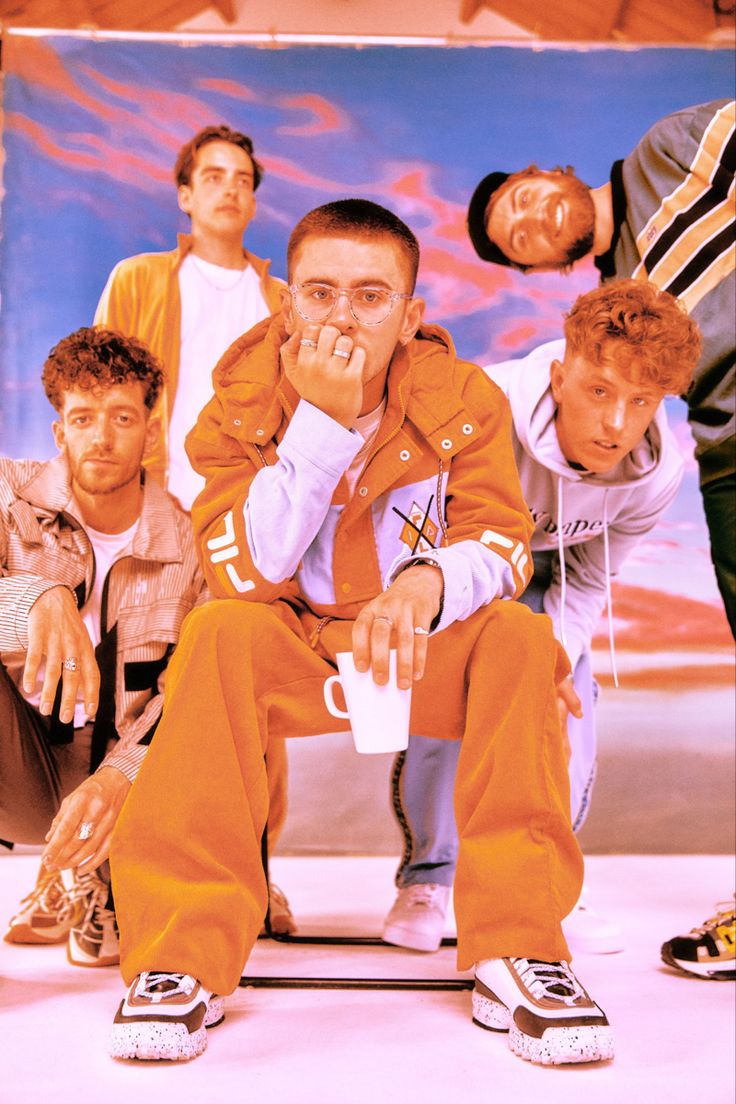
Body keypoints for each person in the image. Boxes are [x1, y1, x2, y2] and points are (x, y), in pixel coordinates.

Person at [108, 198, 614, 1067]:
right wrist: (323, 422)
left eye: (372, 296)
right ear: (284, 304)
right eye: (318, 293)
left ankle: (519, 945)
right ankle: (181, 956)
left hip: (419, 644)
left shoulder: (464, 396)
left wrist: (425, 583)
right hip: (294, 641)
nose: (341, 317)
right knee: (220, 632)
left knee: (523, 641)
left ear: (413, 316)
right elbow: (245, 569)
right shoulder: (234, 406)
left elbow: (497, 539)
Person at [383, 280, 702, 955]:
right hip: (461, 560)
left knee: (566, 708)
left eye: (640, 402)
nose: (618, 423)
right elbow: (421, 530)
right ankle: (429, 878)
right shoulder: (485, 406)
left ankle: (551, 883)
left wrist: (552, 658)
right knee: (449, 702)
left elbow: (592, 575)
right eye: (599, 391)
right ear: (559, 377)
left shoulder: (657, 473)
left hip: (550, 576)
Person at [94, 124, 293, 932]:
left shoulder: (281, 303)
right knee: (131, 703)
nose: (228, 187)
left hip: (250, 528)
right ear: (185, 194)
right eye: (211, 175)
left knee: (254, 706)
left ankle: (254, 876)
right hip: (153, 522)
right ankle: (106, 885)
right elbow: (100, 385)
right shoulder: (139, 279)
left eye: (242, 177)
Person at [465, 99, 735, 639]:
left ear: (540, 175)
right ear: (541, 266)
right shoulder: (616, 310)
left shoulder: (665, 148)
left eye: (523, 199)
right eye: (522, 239)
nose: (534, 218)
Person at [0, 327, 204, 967]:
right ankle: (67, 876)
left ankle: (99, 879)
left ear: (152, 428)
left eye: (122, 417)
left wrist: (123, 775)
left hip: (135, 789)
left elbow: (193, 690)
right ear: (60, 431)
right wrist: (32, 597)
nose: (102, 436)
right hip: (24, 772)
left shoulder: (192, 546)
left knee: (222, 673)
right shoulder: (9, 499)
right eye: (82, 418)